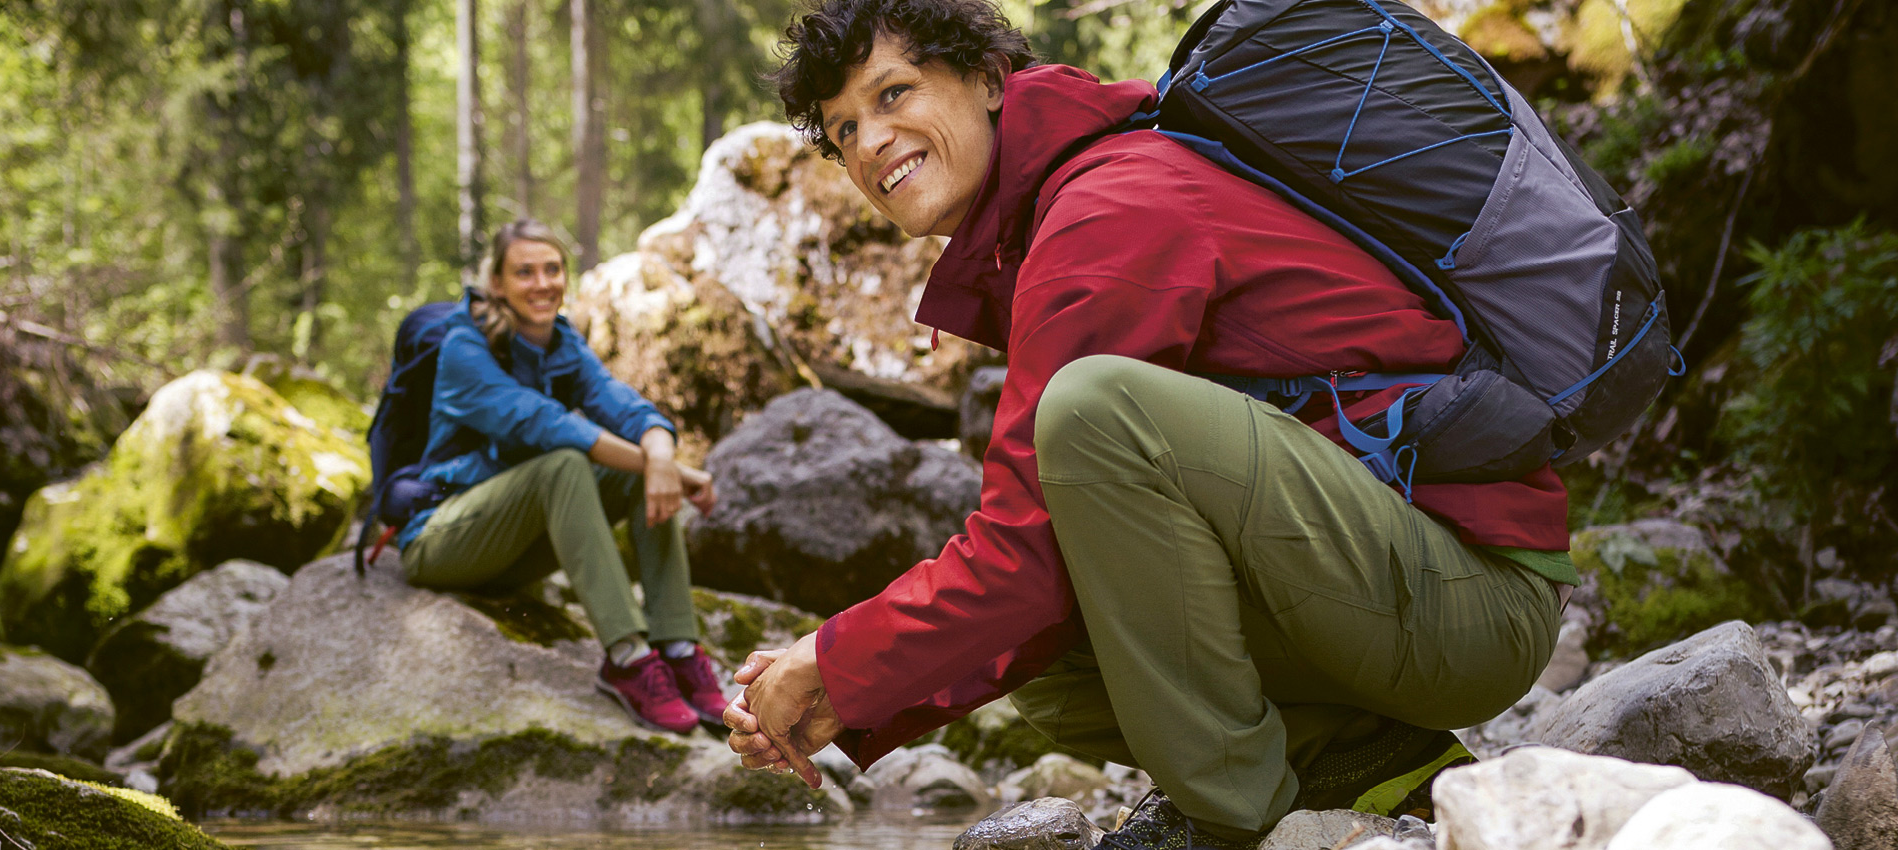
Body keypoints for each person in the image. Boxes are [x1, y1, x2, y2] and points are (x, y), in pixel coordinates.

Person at [724, 2, 1577, 847]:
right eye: (842, 132)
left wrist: (824, 662)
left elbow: (1019, 552)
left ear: (987, 80)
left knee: (1095, 414)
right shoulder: (1056, 213)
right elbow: (1042, 573)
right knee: (1052, 668)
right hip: (1385, 584)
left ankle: (1243, 821)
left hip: (1470, 598)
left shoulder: (1107, 208)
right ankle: (1372, 766)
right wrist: (845, 698)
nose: (869, 142)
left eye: (894, 94)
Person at [396, 219, 730, 735]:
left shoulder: (560, 340)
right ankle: (627, 657)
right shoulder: (464, 350)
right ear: (498, 284)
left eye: (552, 269)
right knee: (567, 462)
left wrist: (660, 454)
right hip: (443, 543)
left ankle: (678, 645)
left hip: (513, 548)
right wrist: (669, 468)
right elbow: (551, 426)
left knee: (630, 476)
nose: (542, 283)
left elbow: (619, 403)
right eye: (524, 272)